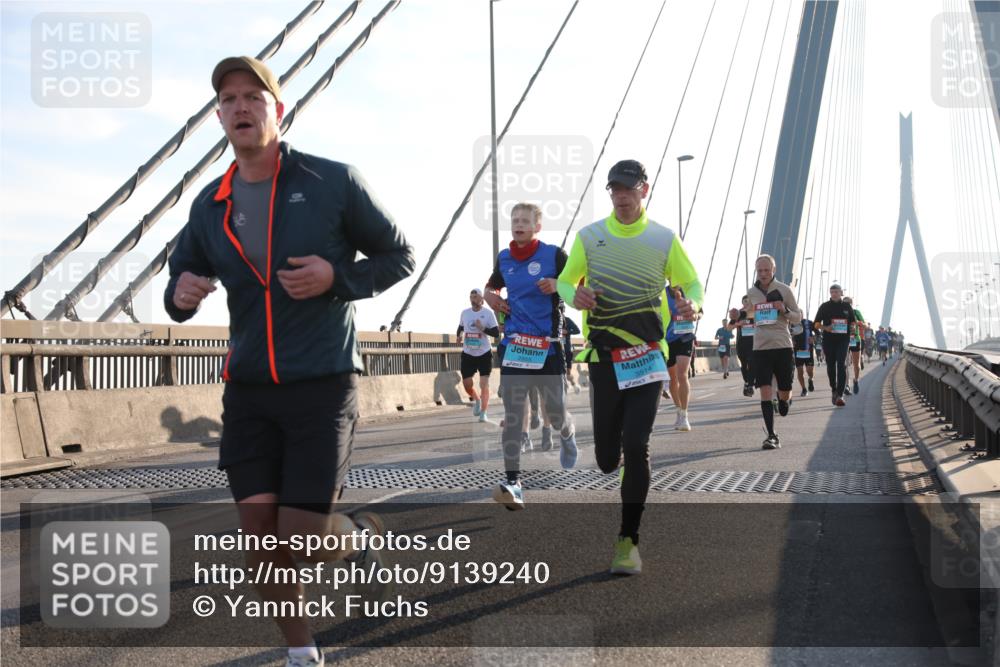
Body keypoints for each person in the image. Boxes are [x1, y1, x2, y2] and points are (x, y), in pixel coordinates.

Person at [165, 56, 415, 667]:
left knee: (298, 541)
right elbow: (181, 276)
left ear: (279, 109)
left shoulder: (334, 181)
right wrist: (180, 293)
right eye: (228, 99)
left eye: (254, 96)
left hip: (321, 387)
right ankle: (302, 652)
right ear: (219, 115)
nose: (240, 107)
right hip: (248, 392)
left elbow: (399, 256)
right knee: (262, 543)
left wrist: (338, 276)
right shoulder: (211, 202)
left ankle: (356, 539)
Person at [558, 159, 703, 575]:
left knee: (637, 444)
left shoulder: (662, 239)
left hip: (646, 355)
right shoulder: (590, 236)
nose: (621, 196)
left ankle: (628, 540)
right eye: (614, 190)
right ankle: (615, 459)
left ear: (645, 189)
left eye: (628, 188)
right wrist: (574, 295)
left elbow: (691, 282)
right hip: (604, 358)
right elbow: (568, 280)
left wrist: (693, 302)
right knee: (607, 458)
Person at [484, 202, 578, 511]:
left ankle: (567, 432)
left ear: (537, 226)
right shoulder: (505, 258)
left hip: (548, 345)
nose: (518, 224)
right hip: (516, 345)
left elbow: (580, 288)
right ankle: (514, 482)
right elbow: (490, 286)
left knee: (555, 410)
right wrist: (492, 298)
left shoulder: (554, 255)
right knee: (513, 415)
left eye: (525, 220)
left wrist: (558, 285)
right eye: (514, 220)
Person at [746, 255, 802, 449]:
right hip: (760, 347)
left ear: (773, 271)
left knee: (784, 391)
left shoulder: (784, 290)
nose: (763, 274)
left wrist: (784, 309)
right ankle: (771, 435)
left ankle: (785, 400)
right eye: (759, 270)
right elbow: (750, 313)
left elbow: (797, 317)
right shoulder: (751, 292)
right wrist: (746, 310)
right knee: (765, 392)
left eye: (766, 270)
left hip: (782, 346)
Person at [457, 288, 500, 422]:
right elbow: (460, 327)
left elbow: (496, 333)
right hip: (468, 352)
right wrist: (458, 336)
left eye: (475, 296)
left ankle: (483, 413)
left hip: (484, 353)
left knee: (483, 384)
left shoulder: (488, 314)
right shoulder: (465, 313)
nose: (473, 299)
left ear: (482, 299)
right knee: (467, 384)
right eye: (471, 296)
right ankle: (477, 400)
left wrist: (482, 328)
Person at [813, 284, 856, 407]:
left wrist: (852, 327)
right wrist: (825, 327)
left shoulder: (847, 306)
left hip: (843, 339)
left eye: (836, 291)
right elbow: (815, 324)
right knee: (831, 366)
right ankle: (834, 389)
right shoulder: (824, 306)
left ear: (841, 292)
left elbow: (852, 320)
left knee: (841, 364)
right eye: (832, 292)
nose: (834, 294)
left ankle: (840, 395)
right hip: (829, 340)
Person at [663, 287, 699, 431]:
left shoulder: (689, 292)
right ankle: (678, 410)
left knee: (682, 375)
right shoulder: (662, 293)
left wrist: (694, 315)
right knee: (673, 379)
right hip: (667, 339)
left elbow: (700, 312)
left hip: (685, 336)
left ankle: (684, 416)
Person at [731, 295, 756, 397]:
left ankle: (749, 385)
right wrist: (738, 324)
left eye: (749, 301)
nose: (747, 303)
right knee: (744, 365)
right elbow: (728, 327)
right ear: (742, 303)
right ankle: (747, 382)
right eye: (745, 301)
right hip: (741, 344)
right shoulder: (738, 314)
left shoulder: (756, 313)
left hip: (753, 344)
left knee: (752, 364)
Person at [844, 296, 865, 395]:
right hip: (843, 340)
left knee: (857, 365)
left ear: (851, 304)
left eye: (848, 303)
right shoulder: (840, 313)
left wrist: (857, 323)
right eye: (844, 303)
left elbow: (864, 325)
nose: (846, 304)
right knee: (845, 364)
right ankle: (846, 385)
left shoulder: (856, 312)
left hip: (855, 339)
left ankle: (856, 380)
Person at [791, 316, 816, 396]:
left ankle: (811, 379)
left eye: (800, 313)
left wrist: (813, 338)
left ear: (802, 314)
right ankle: (804, 389)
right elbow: (787, 333)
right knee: (800, 371)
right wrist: (791, 340)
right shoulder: (792, 323)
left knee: (809, 370)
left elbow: (818, 332)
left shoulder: (809, 322)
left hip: (808, 350)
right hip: (798, 351)